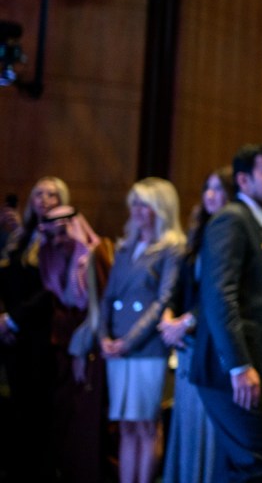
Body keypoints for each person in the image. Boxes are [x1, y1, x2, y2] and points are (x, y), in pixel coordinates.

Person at [0, 177, 114, 483]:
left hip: (66, 340)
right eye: (39, 193)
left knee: (63, 415)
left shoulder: (83, 249)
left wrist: (13, 319)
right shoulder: (29, 240)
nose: (45, 199)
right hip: (34, 339)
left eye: (52, 194)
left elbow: (76, 299)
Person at [191, 144, 262, 483]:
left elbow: (261, 302)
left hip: (240, 365)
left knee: (238, 464)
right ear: (244, 180)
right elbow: (220, 295)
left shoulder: (255, 222)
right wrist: (239, 365)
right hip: (228, 369)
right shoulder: (232, 219)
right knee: (259, 462)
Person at [100, 177, 186, 483]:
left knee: (147, 425)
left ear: (161, 208)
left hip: (146, 347)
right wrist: (104, 337)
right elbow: (108, 296)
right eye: (134, 203)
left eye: (144, 204)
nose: (136, 210)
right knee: (125, 425)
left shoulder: (172, 248)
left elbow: (163, 300)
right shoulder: (125, 247)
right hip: (116, 347)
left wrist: (129, 341)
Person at [158, 167, 233, 483]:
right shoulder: (199, 231)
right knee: (186, 421)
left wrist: (187, 321)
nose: (210, 195)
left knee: (207, 424)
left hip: (211, 342)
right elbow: (181, 285)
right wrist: (168, 317)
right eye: (207, 188)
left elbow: (221, 294)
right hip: (186, 341)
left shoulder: (232, 233)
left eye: (218, 188)